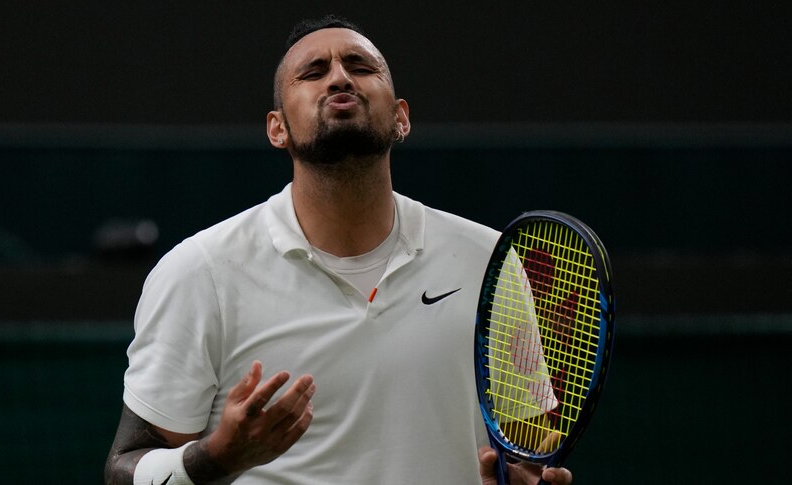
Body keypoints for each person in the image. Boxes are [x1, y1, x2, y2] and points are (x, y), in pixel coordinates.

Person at [104, 15, 574, 485]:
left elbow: (529, 446)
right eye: (313, 72)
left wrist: (527, 478)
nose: (339, 77)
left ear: (401, 117)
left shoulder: (489, 259)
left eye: (360, 66)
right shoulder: (198, 273)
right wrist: (216, 458)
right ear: (277, 129)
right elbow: (124, 469)